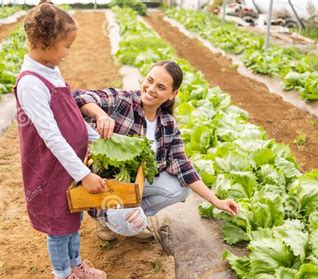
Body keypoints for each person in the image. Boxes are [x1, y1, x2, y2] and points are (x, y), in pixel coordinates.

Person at [73, 60, 239, 242]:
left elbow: (183, 165)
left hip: (136, 184)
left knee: (180, 190)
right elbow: (80, 97)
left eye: (161, 87)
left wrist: (216, 201)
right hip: (104, 185)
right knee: (126, 223)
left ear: (172, 94)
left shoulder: (167, 123)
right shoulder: (123, 102)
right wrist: (101, 115)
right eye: (149, 81)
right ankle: (108, 220)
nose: (151, 89)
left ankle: (133, 214)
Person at [14, 0, 107, 279]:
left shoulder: (51, 70)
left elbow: (72, 118)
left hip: (69, 163)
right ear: (45, 43)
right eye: (66, 45)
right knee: (58, 224)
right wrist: (84, 174)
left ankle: (75, 264)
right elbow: (52, 135)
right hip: (50, 168)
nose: (69, 51)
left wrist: (96, 138)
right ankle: (61, 277)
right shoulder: (30, 83)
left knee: (73, 215)